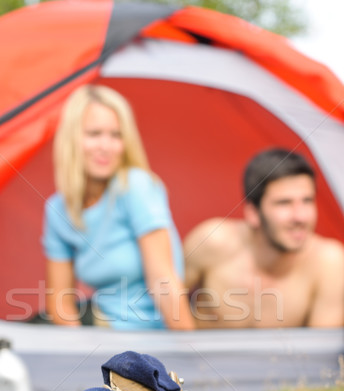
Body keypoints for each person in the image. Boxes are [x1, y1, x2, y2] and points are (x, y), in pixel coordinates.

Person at [42, 85, 194, 330]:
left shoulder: (135, 186)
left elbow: (163, 280)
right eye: (94, 134)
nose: (106, 146)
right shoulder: (57, 208)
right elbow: (60, 304)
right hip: (100, 327)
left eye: (116, 135)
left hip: (145, 336)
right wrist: (80, 356)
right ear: (71, 139)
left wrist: (191, 353)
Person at [184, 148, 344, 328]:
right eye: (284, 203)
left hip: (287, 358)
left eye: (307, 201)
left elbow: (321, 352)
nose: (301, 217)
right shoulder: (212, 241)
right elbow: (161, 299)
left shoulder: (329, 262)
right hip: (201, 355)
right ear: (253, 212)